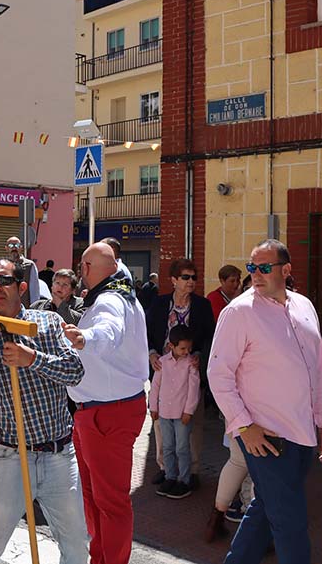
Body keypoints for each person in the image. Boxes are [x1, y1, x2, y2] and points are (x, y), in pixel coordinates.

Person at [208, 239, 322, 564]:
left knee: (267, 508)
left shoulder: (304, 306)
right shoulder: (238, 312)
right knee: (290, 521)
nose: (256, 275)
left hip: (303, 433)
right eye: (252, 268)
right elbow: (218, 374)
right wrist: (244, 426)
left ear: (286, 270)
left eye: (264, 268)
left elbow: (316, 371)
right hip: (265, 437)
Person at [0, 259, 87, 564]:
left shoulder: (47, 323)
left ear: (21, 287)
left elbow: (75, 372)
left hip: (59, 455)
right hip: (11, 456)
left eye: (3, 280)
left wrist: (33, 359)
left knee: (77, 546)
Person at [61, 241, 149, 564]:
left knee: (109, 502)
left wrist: (87, 338)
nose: (82, 272)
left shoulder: (112, 299)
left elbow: (108, 330)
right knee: (94, 497)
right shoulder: (118, 292)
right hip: (96, 412)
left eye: (86, 266)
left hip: (106, 414)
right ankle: (100, 558)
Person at [146, 257, 215, 487]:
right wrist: (152, 352)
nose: (191, 281)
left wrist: (199, 356)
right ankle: (167, 468)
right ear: (173, 280)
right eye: (186, 277)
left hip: (190, 372)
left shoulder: (202, 305)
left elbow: (209, 337)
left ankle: (191, 471)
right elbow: (145, 332)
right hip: (163, 370)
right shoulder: (158, 303)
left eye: (194, 277)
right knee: (161, 422)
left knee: (192, 421)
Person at [149, 325, 200, 500]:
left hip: (181, 414)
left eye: (189, 348)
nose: (187, 351)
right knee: (167, 446)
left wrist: (189, 411)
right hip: (164, 413)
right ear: (171, 346)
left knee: (182, 448)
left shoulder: (191, 364)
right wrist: (153, 407)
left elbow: (194, 389)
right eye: (183, 348)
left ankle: (184, 480)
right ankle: (170, 476)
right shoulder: (162, 362)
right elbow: (155, 386)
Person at [3, 236, 40, 304]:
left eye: (17, 245)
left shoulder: (30, 265)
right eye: (11, 245)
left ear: (21, 247)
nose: (14, 248)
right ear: (6, 248)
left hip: (24, 308)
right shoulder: (2, 265)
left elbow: (34, 291)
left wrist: (34, 307)